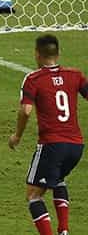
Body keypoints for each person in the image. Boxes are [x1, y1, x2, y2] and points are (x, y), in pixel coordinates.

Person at [9, 34, 86, 235]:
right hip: (76, 146)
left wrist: (17, 135)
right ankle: (64, 230)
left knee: (33, 195)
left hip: (52, 145)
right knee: (58, 179)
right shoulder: (75, 75)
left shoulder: (34, 79)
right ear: (58, 53)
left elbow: (25, 110)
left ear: (37, 54)